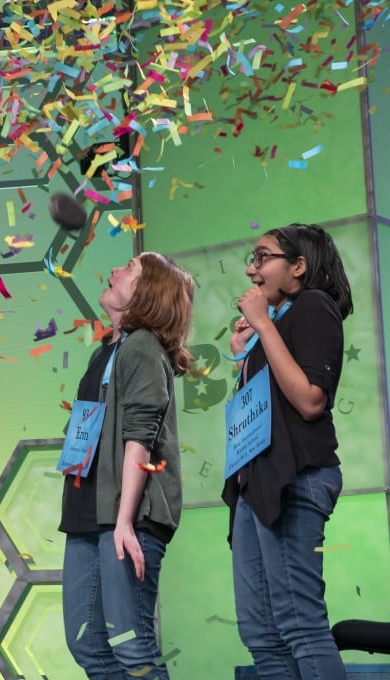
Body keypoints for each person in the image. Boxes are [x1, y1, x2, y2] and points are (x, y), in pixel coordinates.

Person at [223, 224, 353, 679]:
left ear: (298, 266)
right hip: (255, 481)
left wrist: (262, 324)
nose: (251, 269)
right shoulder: (275, 324)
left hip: (295, 477)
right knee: (261, 632)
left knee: (299, 625)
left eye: (262, 257)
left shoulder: (314, 306)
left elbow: (310, 400)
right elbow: (265, 407)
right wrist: (245, 352)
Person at [59, 252, 193, 679]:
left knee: (131, 647)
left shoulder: (142, 346)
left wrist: (124, 522)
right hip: (88, 511)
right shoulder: (108, 350)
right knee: (91, 649)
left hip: (124, 515)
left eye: (129, 268)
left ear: (146, 293)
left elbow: (141, 437)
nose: (115, 270)